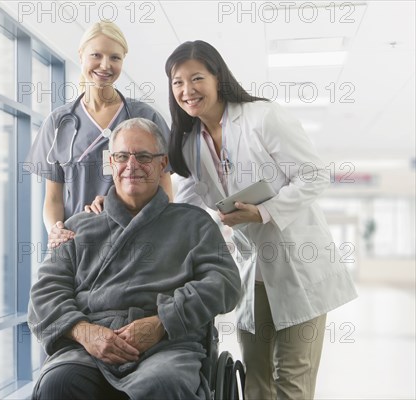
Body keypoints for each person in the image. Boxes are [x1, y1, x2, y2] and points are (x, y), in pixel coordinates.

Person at [165, 40, 358, 399]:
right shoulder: (190, 143)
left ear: (217, 77)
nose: (187, 91)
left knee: (293, 381)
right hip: (253, 271)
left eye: (196, 78)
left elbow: (314, 175)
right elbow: (184, 210)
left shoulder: (263, 117)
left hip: (300, 266)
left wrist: (264, 211)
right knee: (256, 380)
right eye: (177, 82)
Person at [28, 118, 242, 400]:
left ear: (162, 163)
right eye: (122, 156)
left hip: (168, 345)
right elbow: (45, 293)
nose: (132, 166)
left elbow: (225, 282)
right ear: (110, 163)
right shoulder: (78, 227)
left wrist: (163, 321)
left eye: (143, 156)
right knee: (57, 383)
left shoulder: (194, 223)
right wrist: (84, 332)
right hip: (88, 348)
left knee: (162, 385)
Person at [26, 20, 172, 239]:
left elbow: (165, 188)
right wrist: (55, 231)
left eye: (115, 57)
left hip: (136, 241)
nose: (105, 65)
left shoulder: (146, 117)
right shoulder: (59, 123)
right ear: (81, 55)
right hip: (79, 243)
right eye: (96, 55)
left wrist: (159, 235)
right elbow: (54, 198)